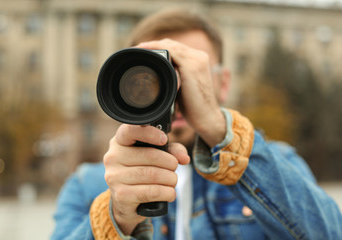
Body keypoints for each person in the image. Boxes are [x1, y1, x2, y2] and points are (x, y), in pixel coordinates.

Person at [51, 8, 342, 240]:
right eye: (155, 74)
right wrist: (116, 218)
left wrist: (221, 130)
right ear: (127, 84)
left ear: (223, 82)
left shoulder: (276, 164)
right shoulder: (87, 185)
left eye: (189, 69)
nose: (172, 89)